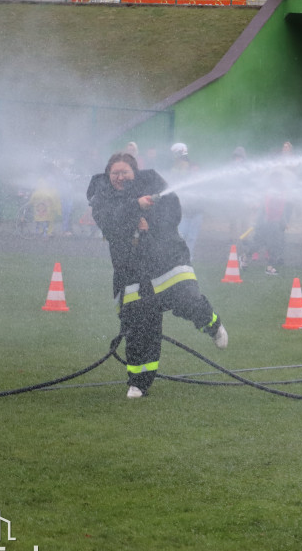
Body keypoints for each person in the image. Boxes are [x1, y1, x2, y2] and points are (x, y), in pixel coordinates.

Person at [88, 152, 228, 399]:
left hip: (166, 258)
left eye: (124, 172)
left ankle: (212, 325)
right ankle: (139, 383)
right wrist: (136, 208)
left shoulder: (152, 182)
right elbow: (109, 222)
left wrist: (149, 223)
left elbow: (173, 212)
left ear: (135, 172)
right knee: (140, 325)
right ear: (108, 175)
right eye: (115, 173)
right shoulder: (101, 197)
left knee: (186, 300)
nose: (120, 177)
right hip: (132, 270)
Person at [169, 142, 203, 261]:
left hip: (195, 209)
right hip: (184, 209)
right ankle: (181, 257)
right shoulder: (177, 167)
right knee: (182, 235)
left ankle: (188, 258)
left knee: (191, 236)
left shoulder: (189, 166)